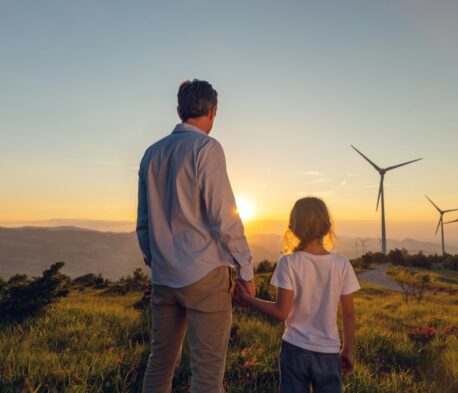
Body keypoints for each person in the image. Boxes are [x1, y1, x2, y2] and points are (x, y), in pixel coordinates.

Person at [137, 79, 255, 393]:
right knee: (206, 374)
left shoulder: (151, 154)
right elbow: (224, 217)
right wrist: (245, 269)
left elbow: (144, 222)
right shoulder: (207, 148)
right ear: (214, 111)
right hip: (204, 275)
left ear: (179, 110)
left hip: (163, 277)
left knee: (159, 364)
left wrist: (156, 258)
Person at [236, 197, 360, 393]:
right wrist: (348, 350)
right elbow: (349, 314)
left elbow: (280, 312)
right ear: (327, 227)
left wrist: (250, 300)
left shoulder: (288, 263)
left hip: (294, 349)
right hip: (328, 353)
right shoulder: (342, 264)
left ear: (293, 228)